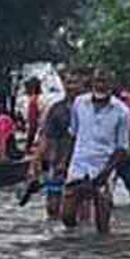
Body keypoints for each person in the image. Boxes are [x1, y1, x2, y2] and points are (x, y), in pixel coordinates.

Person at [62, 68, 130, 234]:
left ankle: (101, 253)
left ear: (112, 85)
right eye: (98, 81)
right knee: (67, 215)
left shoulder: (122, 111)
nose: (100, 85)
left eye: (105, 81)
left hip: (103, 167)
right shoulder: (79, 103)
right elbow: (73, 135)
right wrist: (64, 163)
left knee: (102, 223)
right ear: (92, 83)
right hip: (78, 166)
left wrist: (105, 173)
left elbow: (122, 148)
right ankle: (73, 248)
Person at [30, 68, 83, 220]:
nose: (70, 86)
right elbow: (46, 138)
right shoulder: (57, 109)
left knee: (80, 208)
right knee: (52, 208)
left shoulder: (89, 108)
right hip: (58, 162)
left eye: (74, 83)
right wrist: (35, 164)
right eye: (67, 82)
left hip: (81, 163)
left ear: (81, 85)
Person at [23, 77, 43, 151]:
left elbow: (33, 123)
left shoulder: (33, 100)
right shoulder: (43, 98)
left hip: (40, 134)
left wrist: (28, 145)